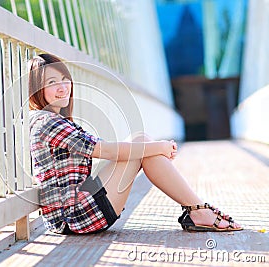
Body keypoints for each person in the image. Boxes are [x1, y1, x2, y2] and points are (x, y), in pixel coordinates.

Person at [27, 53, 242, 234]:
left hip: (76, 209)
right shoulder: (48, 122)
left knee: (141, 142)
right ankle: (198, 210)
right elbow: (104, 150)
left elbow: (104, 149)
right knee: (142, 144)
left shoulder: (53, 120)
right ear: (37, 89)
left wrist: (153, 147)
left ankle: (197, 209)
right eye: (52, 83)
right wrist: (160, 147)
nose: (63, 87)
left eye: (65, 79)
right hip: (73, 217)